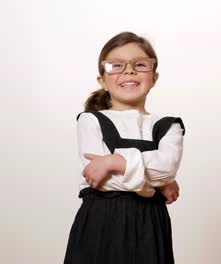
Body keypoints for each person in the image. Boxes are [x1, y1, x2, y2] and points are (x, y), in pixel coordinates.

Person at [64, 32, 185, 264]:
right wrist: (155, 184)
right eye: (116, 65)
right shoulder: (90, 121)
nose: (128, 71)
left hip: (150, 226)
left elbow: (167, 168)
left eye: (140, 64)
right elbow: (100, 180)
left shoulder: (169, 126)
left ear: (154, 77)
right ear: (102, 80)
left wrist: (114, 162)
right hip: (99, 224)